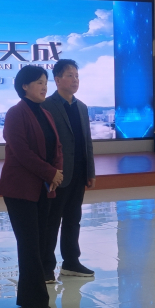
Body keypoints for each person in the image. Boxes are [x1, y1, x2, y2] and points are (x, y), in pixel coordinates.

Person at [0, 65, 64, 308]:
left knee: (39, 242)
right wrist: (50, 173)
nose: (44, 87)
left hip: (44, 187)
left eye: (45, 82)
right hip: (20, 188)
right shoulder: (15, 113)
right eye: (39, 82)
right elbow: (21, 152)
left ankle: (27, 296)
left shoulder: (45, 113)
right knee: (29, 245)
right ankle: (34, 300)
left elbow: (57, 147)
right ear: (24, 86)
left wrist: (56, 172)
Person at [42, 59, 96, 280]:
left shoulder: (81, 107)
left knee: (73, 219)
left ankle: (71, 262)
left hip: (79, 173)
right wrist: (49, 173)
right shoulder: (47, 106)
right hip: (57, 175)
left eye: (77, 76)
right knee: (51, 221)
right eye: (70, 76)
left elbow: (87, 141)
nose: (75, 80)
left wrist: (90, 172)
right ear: (57, 80)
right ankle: (46, 267)